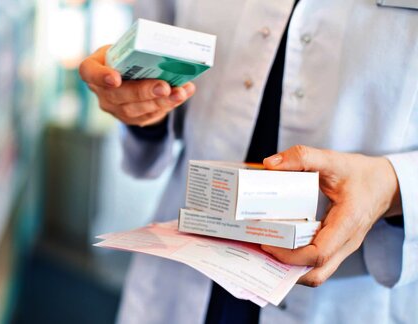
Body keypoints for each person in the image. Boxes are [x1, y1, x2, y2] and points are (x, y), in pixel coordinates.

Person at [79, 1, 418, 323]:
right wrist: (140, 106)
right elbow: (159, 73)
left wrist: (393, 186)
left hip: (351, 291)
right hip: (188, 271)